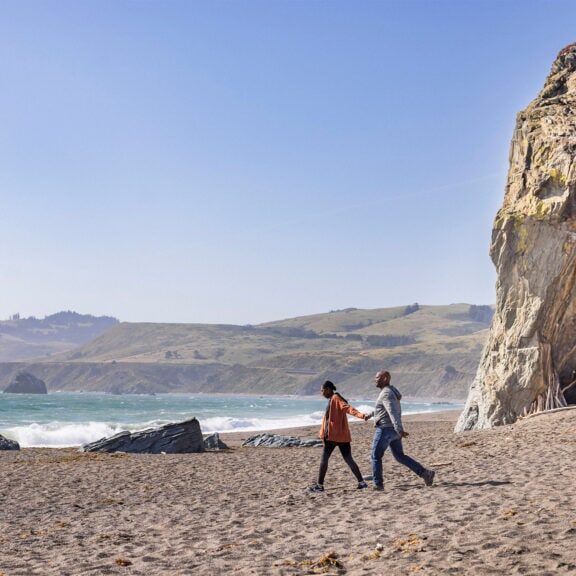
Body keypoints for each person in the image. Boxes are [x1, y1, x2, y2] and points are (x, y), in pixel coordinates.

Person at [368, 370, 435, 491]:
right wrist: (370, 414)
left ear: (385, 378)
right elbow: (384, 409)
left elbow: (392, 412)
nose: (375, 379)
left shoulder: (386, 393)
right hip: (393, 430)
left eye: (377, 377)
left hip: (386, 429)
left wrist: (399, 429)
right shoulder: (389, 392)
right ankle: (426, 474)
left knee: (375, 456)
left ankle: (378, 484)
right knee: (399, 456)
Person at [309, 380, 369, 493]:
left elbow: (348, 408)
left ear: (328, 389)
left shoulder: (336, 398)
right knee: (349, 459)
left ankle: (319, 486)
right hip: (342, 436)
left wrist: (362, 415)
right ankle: (361, 482)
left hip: (332, 436)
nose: (322, 393)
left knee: (324, 459)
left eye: (322, 391)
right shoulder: (334, 398)